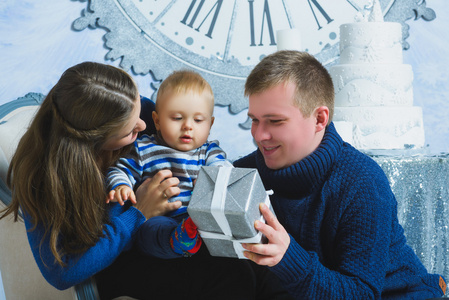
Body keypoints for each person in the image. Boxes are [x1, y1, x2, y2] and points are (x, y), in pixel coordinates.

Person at [0, 62, 292, 300]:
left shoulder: (142, 114)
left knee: (263, 266)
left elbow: (198, 154)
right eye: (130, 131)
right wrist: (138, 214)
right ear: (95, 142)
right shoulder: (41, 178)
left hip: (181, 230)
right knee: (229, 274)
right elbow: (63, 274)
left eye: (139, 111)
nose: (144, 126)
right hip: (119, 258)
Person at [234, 50, 447, 299]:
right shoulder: (242, 174)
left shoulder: (362, 182)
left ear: (319, 119)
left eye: (275, 121)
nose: (259, 135)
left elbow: (362, 294)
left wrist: (289, 259)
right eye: (255, 120)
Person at [106, 70, 233, 258]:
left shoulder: (208, 151)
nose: (188, 126)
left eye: (198, 120)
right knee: (149, 229)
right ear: (157, 121)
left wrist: (218, 179)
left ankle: (194, 235)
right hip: (163, 220)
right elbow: (120, 169)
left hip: (201, 218)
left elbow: (224, 168)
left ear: (210, 124)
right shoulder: (143, 148)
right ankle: (178, 240)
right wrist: (121, 185)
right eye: (177, 118)